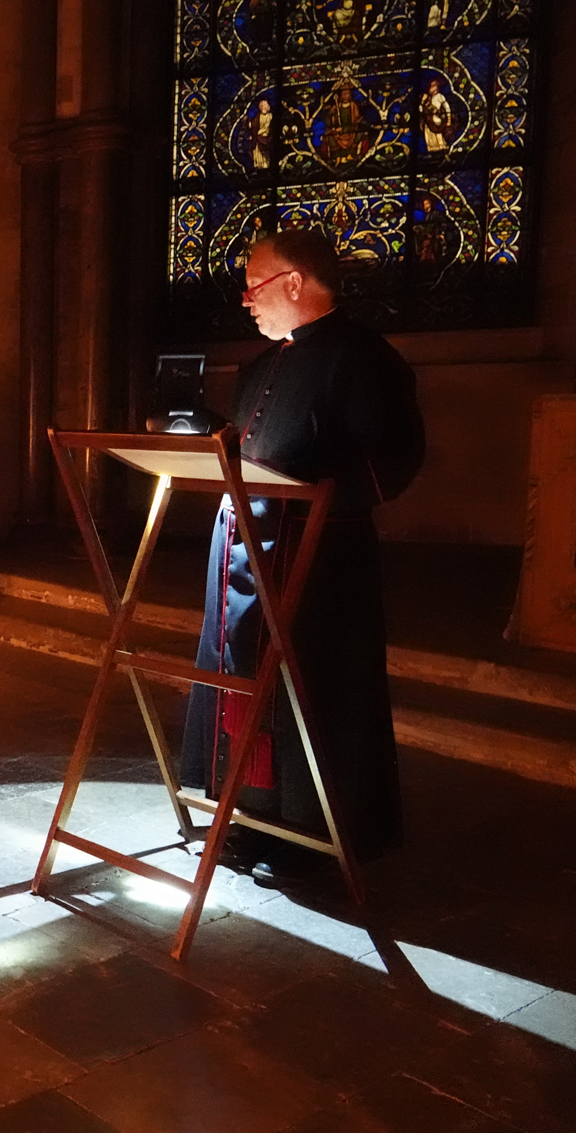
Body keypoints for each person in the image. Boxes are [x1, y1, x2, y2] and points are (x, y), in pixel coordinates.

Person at [181, 228, 424, 885]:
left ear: (295, 282)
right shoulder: (262, 366)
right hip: (243, 555)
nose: (246, 302)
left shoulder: (364, 359)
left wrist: (308, 497)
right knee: (244, 687)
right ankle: (248, 814)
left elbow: (390, 461)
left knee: (310, 698)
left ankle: (311, 839)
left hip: (318, 564)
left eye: (254, 287)